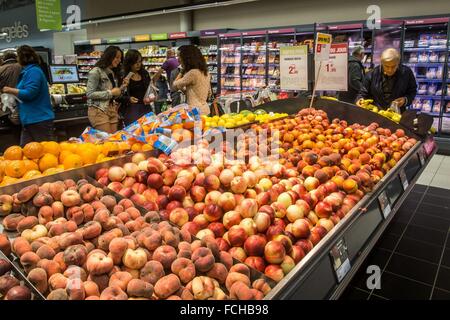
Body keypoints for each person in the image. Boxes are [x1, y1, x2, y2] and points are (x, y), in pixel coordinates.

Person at [1, 45, 55, 145]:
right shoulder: (27, 71)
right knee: (26, 153)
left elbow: (30, 93)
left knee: (46, 152)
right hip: (29, 120)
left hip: (38, 119)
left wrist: (10, 90)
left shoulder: (33, 72)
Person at [356, 48, 417, 113]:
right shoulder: (371, 74)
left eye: (393, 66)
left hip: (397, 115)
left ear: (398, 63)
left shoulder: (406, 73)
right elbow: (362, 93)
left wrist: (405, 100)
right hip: (376, 114)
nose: (390, 70)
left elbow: (412, 91)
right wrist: (360, 100)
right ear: (382, 63)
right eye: (386, 66)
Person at [86, 46, 125, 133]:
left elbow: (113, 93)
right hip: (98, 109)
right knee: (106, 141)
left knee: (113, 140)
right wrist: (110, 92)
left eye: (120, 58)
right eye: (117, 57)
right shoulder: (95, 72)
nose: (119, 60)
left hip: (111, 109)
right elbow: (89, 94)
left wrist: (122, 88)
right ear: (109, 56)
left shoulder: (111, 72)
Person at [172, 45, 211, 115]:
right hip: (205, 109)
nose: (178, 59)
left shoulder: (192, 73)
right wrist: (186, 91)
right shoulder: (205, 72)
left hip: (195, 111)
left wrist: (182, 71)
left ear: (187, 57)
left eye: (179, 56)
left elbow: (174, 85)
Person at [119, 49, 153, 126]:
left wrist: (151, 95)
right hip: (131, 110)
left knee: (149, 130)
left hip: (146, 107)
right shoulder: (123, 75)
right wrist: (128, 98)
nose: (138, 64)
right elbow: (117, 96)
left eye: (139, 62)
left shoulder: (144, 73)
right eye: (135, 62)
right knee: (134, 132)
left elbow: (149, 88)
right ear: (129, 63)